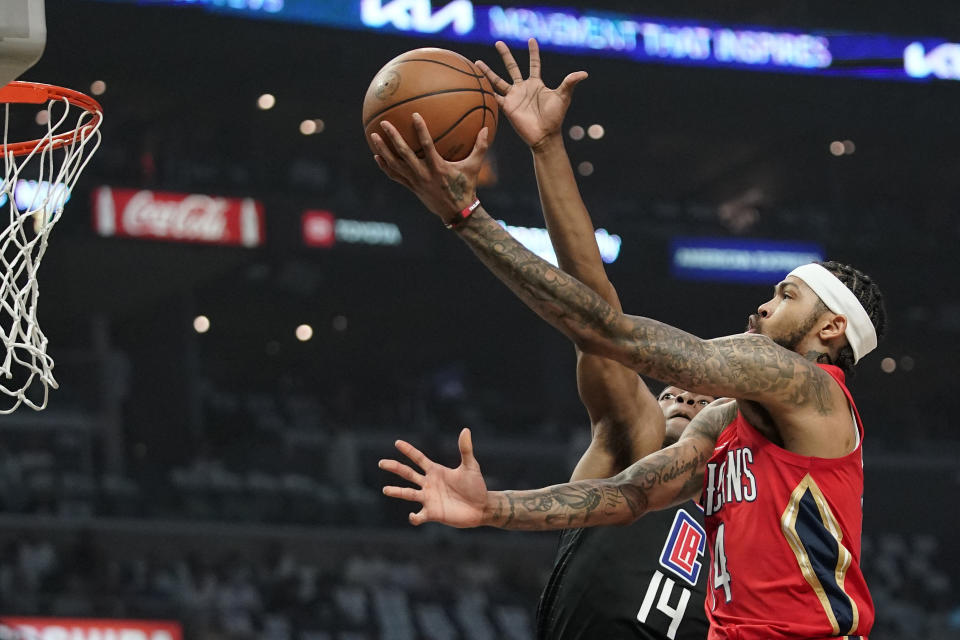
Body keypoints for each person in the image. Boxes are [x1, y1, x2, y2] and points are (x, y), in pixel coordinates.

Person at [372, 38, 886, 640]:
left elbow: (609, 327)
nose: (763, 305)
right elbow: (628, 495)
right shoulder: (723, 427)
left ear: (830, 329)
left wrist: (469, 217)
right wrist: (491, 508)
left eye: (786, 297)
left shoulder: (809, 385)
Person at [465, 40, 715, 639]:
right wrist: (548, 149)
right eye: (672, 387)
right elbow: (594, 307)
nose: (680, 391)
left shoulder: (746, 500)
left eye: (701, 390)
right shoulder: (640, 438)